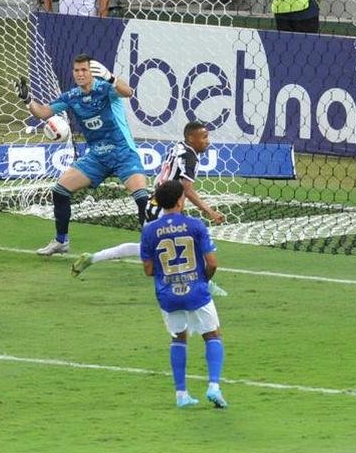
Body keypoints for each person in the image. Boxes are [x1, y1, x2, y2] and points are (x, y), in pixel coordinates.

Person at [18, 53, 151, 256]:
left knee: (142, 198)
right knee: (60, 190)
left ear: (92, 72)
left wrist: (111, 77)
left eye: (84, 70)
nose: (80, 74)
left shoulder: (106, 89)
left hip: (122, 152)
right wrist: (28, 100)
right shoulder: (72, 97)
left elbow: (128, 92)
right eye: (77, 70)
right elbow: (43, 112)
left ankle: (151, 246)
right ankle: (61, 241)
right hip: (97, 156)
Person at [71, 122, 228, 285]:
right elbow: (187, 189)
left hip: (154, 202)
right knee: (188, 244)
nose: (207, 141)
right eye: (204, 137)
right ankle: (205, 284)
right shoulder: (189, 157)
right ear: (191, 138)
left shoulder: (179, 147)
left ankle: (92, 258)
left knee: (147, 248)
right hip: (166, 207)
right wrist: (210, 211)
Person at [140, 179, 227, 409]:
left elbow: (148, 270)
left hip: (168, 294)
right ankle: (214, 387)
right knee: (212, 335)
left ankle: (181, 394)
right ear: (181, 201)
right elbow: (212, 263)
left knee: (179, 338)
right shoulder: (195, 225)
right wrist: (202, 280)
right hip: (196, 290)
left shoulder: (149, 230)